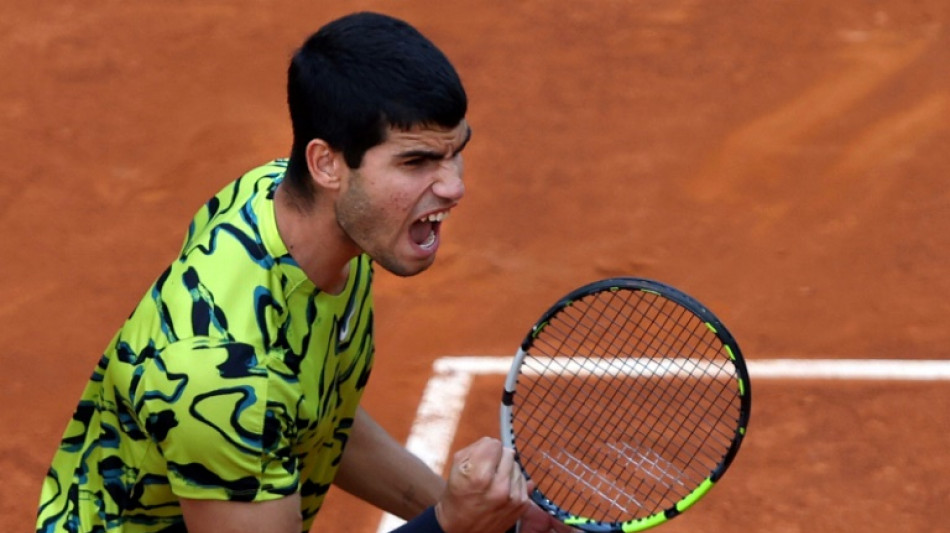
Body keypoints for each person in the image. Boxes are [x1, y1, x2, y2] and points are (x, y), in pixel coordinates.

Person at [34, 11, 572, 533]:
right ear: (327, 164)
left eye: (455, 153)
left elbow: (314, 419)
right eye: (416, 162)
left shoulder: (300, 215)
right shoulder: (225, 373)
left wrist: (497, 521)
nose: (454, 186)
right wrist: (451, 525)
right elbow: (261, 403)